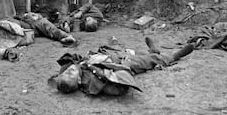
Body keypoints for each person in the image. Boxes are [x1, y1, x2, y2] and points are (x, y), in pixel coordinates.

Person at [50, 37, 194, 96]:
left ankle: (153, 50)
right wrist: (96, 69)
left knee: (132, 51)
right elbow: (118, 89)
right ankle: (175, 56)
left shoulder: (75, 67)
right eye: (70, 75)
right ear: (79, 81)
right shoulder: (91, 82)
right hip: (122, 64)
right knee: (147, 60)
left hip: (111, 54)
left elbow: (66, 65)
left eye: (65, 73)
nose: (69, 71)